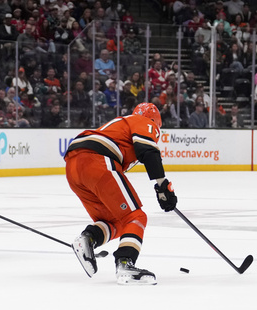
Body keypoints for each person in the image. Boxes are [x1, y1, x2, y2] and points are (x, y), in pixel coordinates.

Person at [65, 103, 177, 285]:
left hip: (73, 167)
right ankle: (125, 264)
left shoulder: (123, 124)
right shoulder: (144, 122)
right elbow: (148, 150)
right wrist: (163, 186)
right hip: (96, 160)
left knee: (117, 221)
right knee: (135, 217)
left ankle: (88, 239)